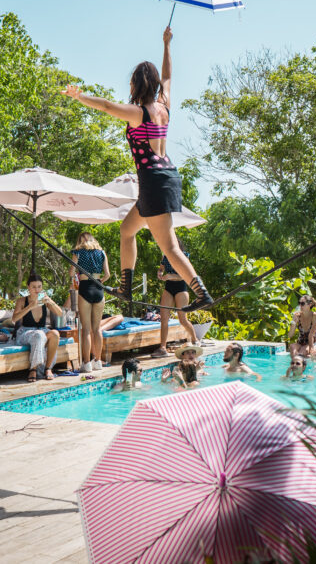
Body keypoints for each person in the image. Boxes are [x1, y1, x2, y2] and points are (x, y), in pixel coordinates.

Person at [61, 27, 213, 312]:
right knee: (127, 230)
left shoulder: (138, 112)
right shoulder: (164, 106)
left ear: (136, 85)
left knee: (169, 247)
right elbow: (168, 77)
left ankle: (200, 291)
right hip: (164, 176)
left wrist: (79, 97)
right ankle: (125, 287)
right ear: (153, 84)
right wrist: (167, 44)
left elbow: (106, 106)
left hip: (154, 180)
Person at [71, 232, 111, 372]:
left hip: (85, 288)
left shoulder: (78, 253)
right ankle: (98, 361)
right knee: (97, 328)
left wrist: (76, 278)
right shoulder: (101, 253)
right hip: (99, 288)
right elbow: (107, 275)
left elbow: (71, 273)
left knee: (86, 329)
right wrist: (100, 282)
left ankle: (87, 364)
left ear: (81, 241)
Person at [153, 238, 197, 358]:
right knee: (164, 319)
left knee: (182, 319)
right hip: (169, 288)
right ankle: (162, 348)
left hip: (181, 289)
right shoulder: (165, 256)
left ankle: (195, 340)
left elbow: (185, 275)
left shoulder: (184, 256)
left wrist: (171, 275)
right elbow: (161, 268)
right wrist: (160, 273)